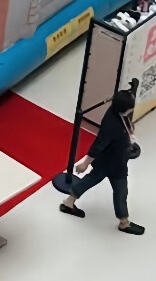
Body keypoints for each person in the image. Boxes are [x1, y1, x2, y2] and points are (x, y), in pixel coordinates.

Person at [61, 82, 145, 234]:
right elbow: (98, 144)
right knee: (121, 191)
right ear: (125, 109)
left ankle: (68, 202)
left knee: (90, 180)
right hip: (115, 163)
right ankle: (124, 222)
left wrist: (133, 88)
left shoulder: (114, 109)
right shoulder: (112, 126)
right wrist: (85, 163)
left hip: (106, 160)